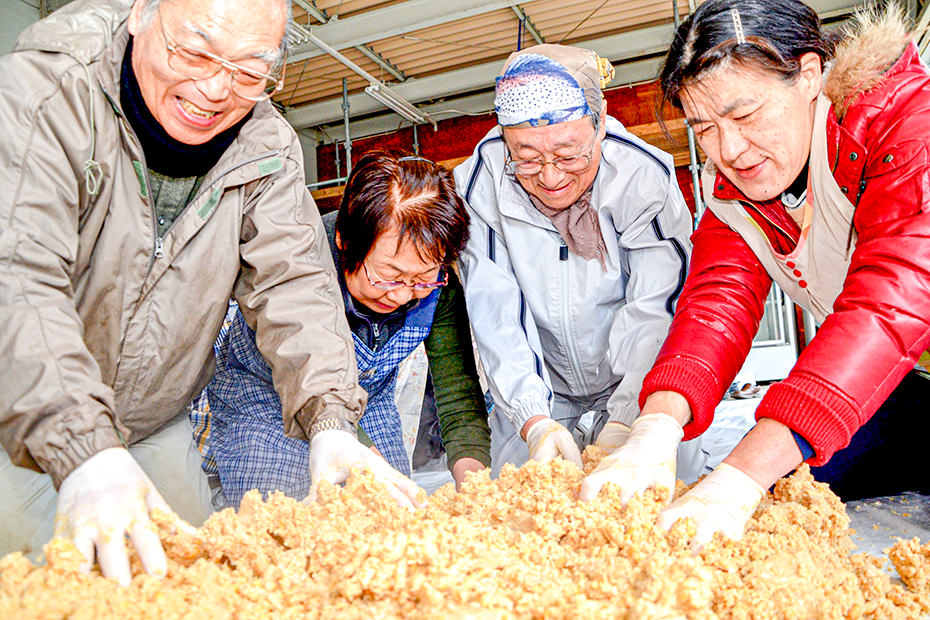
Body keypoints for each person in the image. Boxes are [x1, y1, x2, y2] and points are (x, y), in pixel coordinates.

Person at [0, 0, 377, 585]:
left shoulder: (267, 146)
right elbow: (16, 274)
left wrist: (330, 419)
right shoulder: (48, 91)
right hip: (20, 408)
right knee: (44, 586)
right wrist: (84, 447)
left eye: (251, 70)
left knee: (203, 581)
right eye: (195, 51)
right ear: (140, 15)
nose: (215, 90)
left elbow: (295, 283)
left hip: (151, 418)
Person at [580, 0, 930, 546]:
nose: (731, 150)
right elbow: (716, 303)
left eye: (745, 116)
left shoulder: (905, 122)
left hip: (896, 347)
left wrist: (736, 477)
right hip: (900, 387)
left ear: (810, 75)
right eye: (705, 128)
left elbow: (890, 304)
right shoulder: (734, 193)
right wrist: (656, 426)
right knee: (789, 498)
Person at [454, 44, 700, 478]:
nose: (550, 178)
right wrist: (534, 420)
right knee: (518, 509)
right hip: (542, 392)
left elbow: (659, 307)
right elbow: (495, 311)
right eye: (527, 159)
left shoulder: (642, 176)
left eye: (569, 156)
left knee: (665, 491)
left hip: (635, 387)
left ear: (600, 124)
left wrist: (627, 418)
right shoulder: (482, 180)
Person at [205, 150, 492, 508]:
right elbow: (300, 361)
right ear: (344, 241)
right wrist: (354, 450)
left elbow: (457, 393)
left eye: (421, 279)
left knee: (393, 515)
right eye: (387, 276)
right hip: (269, 402)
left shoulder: (436, 283)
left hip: (368, 403)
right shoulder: (302, 259)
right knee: (291, 522)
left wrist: (475, 483)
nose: (403, 295)